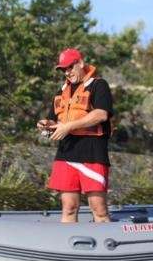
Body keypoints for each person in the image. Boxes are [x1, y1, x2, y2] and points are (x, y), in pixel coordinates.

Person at [37, 48, 113, 223]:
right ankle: (68, 246)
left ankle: (105, 247)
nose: (67, 72)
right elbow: (52, 120)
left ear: (80, 63)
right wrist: (45, 125)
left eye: (70, 67)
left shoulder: (99, 85)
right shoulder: (61, 91)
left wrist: (69, 126)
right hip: (66, 154)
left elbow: (101, 114)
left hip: (92, 154)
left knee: (99, 210)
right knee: (69, 208)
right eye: (63, 69)